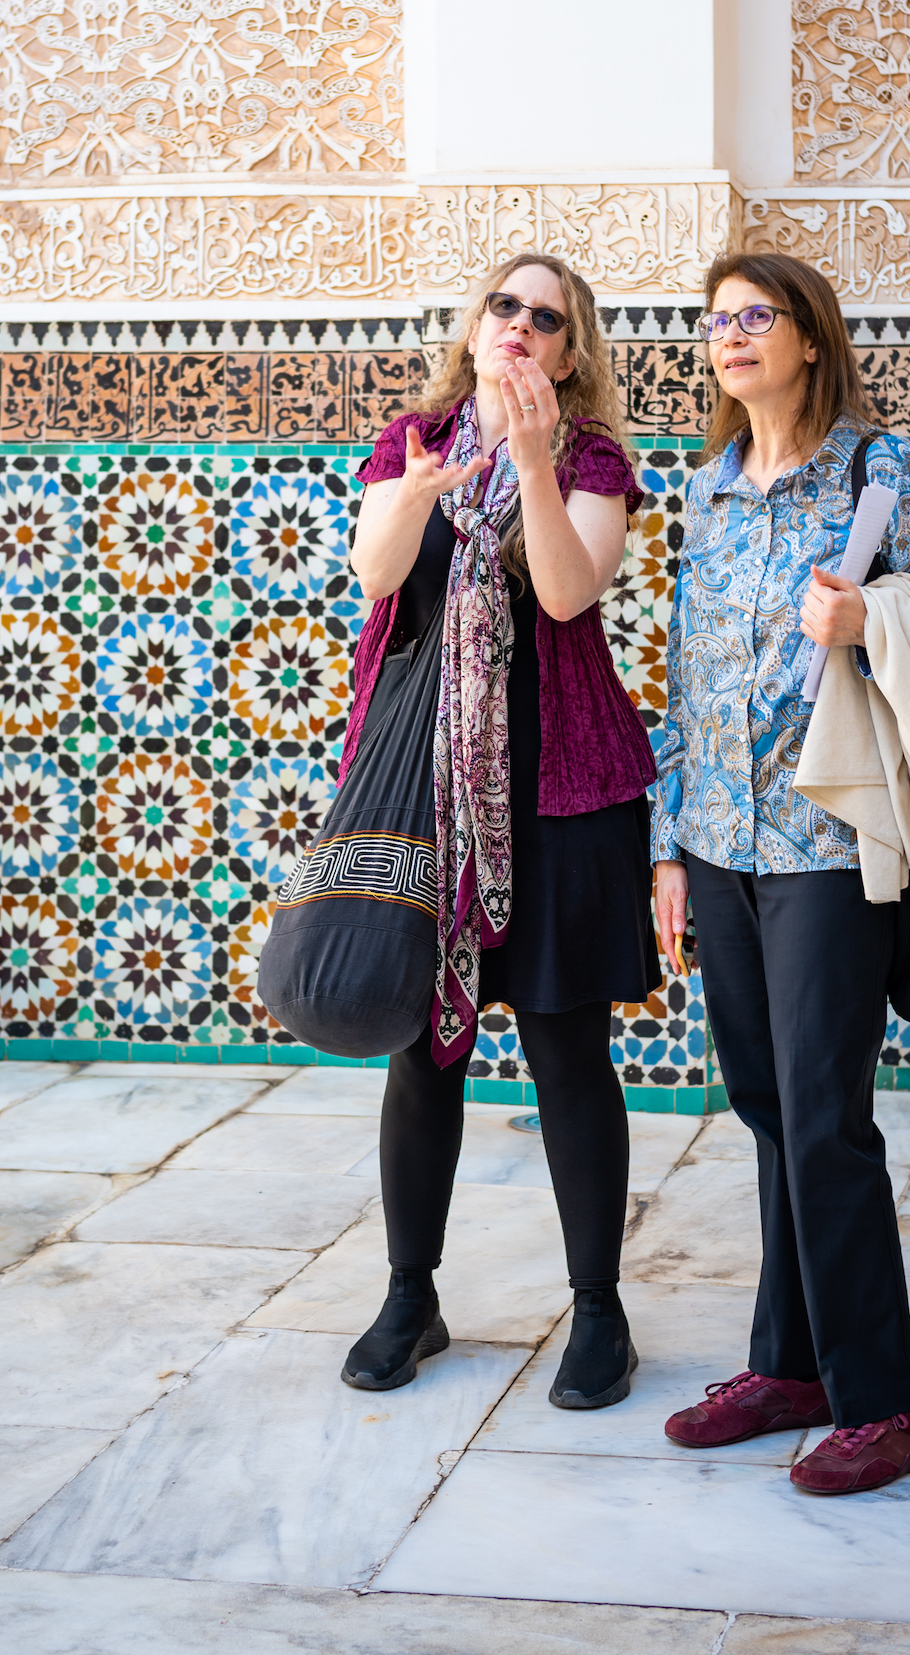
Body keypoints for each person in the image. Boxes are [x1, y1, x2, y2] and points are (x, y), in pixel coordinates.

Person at [652, 250, 910, 1496]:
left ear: (807, 338)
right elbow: (686, 673)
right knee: (766, 1107)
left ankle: (889, 1397)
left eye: (757, 316)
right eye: (717, 321)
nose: (731, 336)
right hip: (722, 846)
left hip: (833, 844)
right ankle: (789, 1364)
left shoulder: (882, 472)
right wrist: (670, 844)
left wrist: (872, 621)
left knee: (824, 1119)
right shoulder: (705, 489)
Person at [340, 253, 658, 1408]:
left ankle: (600, 1315)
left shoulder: (593, 462)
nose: (521, 324)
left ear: (572, 353)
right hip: (425, 792)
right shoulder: (410, 439)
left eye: (549, 317)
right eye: (505, 306)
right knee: (423, 1052)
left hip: (563, 794)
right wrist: (419, 492)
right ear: (476, 328)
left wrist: (528, 462)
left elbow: (571, 593)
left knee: (571, 1055)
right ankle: (409, 1296)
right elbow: (378, 573)